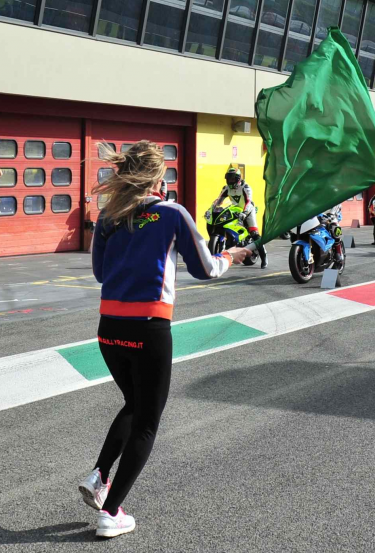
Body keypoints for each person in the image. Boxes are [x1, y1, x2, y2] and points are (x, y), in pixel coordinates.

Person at [81, 141, 248, 539]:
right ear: (159, 177)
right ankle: (111, 512)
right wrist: (231, 256)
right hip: (149, 328)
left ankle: (99, 475)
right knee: (147, 423)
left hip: (109, 329)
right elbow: (206, 269)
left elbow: (101, 274)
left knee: (135, 403)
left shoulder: (108, 215)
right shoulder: (172, 213)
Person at [212, 167, 266, 268]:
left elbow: (249, 202)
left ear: (238, 179)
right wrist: (213, 208)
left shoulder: (246, 187)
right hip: (235, 210)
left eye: (232, 178)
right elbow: (219, 200)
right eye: (229, 178)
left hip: (248, 210)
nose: (230, 181)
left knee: (254, 234)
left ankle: (264, 257)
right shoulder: (226, 188)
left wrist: (244, 213)